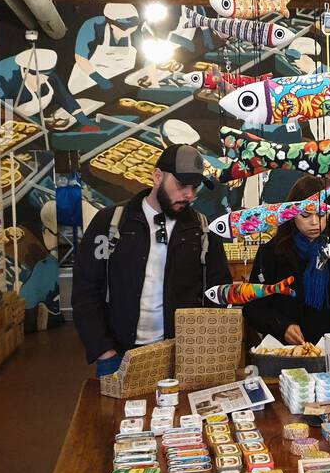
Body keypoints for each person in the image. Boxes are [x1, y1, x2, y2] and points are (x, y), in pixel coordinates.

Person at [72, 145, 232, 375]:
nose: (189, 195)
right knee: (113, 413)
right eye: (181, 185)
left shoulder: (203, 230)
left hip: (183, 357)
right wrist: (103, 350)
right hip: (118, 356)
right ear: (157, 177)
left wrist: (204, 348)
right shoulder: (111, 223)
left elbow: (218, 291)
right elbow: (85, 289)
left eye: (194, 187)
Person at [244, 176, 330, 348]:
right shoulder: (272, 252)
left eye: (321, 214)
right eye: (305, 215)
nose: (314, 222)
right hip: (289, 355)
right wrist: (283, 327)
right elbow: (253, 309)